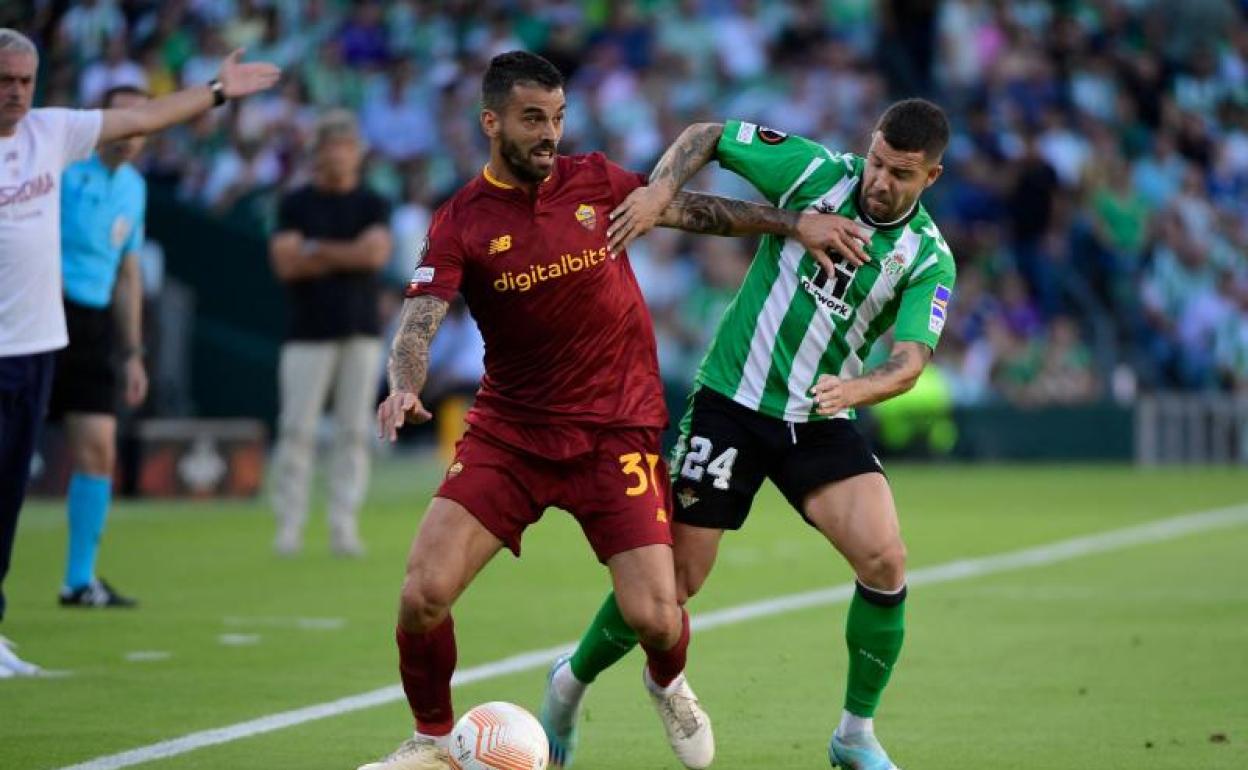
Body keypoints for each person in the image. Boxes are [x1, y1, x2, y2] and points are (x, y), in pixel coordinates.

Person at [359, 50, 858, 770]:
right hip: (512, 434)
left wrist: (791, 224)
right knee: (422, 595)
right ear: (490, 121)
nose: (549, 133)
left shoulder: (593, 181)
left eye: (558, 117)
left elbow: (693, 210)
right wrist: (404, 382)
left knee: (656, 616)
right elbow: (420, 319)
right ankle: (433, 741)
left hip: (613, 431)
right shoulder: (461, 220)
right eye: (534, 119)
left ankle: (669, 681)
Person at [543, 100, 957, 770]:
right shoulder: (817, 173)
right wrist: (657, 193)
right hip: (732, 402)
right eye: (878, 161)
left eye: (900, 174)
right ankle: (570, 681)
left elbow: (910, 360)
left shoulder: (927, 258)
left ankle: (854, 734)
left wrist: (856, 390)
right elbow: (707, 136)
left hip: (821, 416)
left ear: (930, 177)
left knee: (885, 560)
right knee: (671, 585)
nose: (880, 180)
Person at [0, 27, 278, 677]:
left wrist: (216, 91)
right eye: (3, 81)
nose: (14, 93)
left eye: (23, 81)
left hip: (42, 344)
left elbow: (146, 114)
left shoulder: (50, 132)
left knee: (10, 492)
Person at [267, 110, 391, 557]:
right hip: (307, 331)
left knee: (354, 431)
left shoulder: (372, 202)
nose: (339, 155)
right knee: (296, 429)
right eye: (330, 147)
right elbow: (285, 262)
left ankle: (344, 524)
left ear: (357, 153)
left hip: (359, 330)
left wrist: (317, 250)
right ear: (316, 153)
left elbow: (375, 255)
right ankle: (289, 525)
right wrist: (348, 253)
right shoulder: (295, 202)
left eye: (346, 146)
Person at [50, 84, 151, 609]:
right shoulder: (62, 170)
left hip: (93, 329)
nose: (133, 133)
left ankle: (78, 580)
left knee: (99, 448)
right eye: (124, 119)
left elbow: (129, 274)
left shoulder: (134, 187)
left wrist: (133, 352)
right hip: (41, 314)